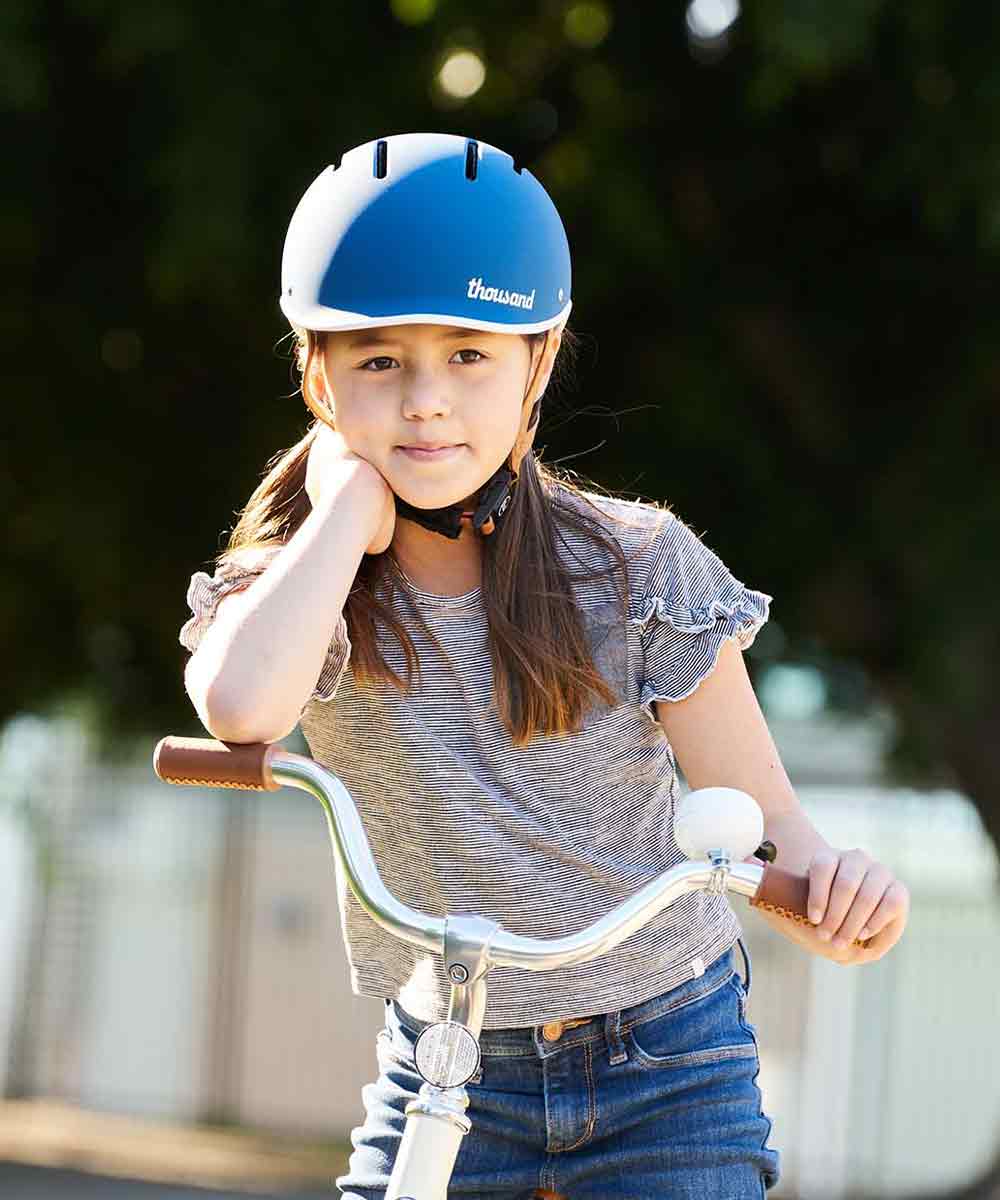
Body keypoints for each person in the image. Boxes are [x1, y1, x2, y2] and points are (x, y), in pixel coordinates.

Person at [178, 133, 910, 1199]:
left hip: (665, 1059)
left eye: (469, 353)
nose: (425, 399)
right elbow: (241, 710)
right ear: (317, 376)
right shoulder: (306, 586)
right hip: (446, 1059)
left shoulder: (633, 568)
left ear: (539, 360)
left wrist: (836, 903)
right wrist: (342, 509)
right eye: (378, 359)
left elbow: (764, 830)